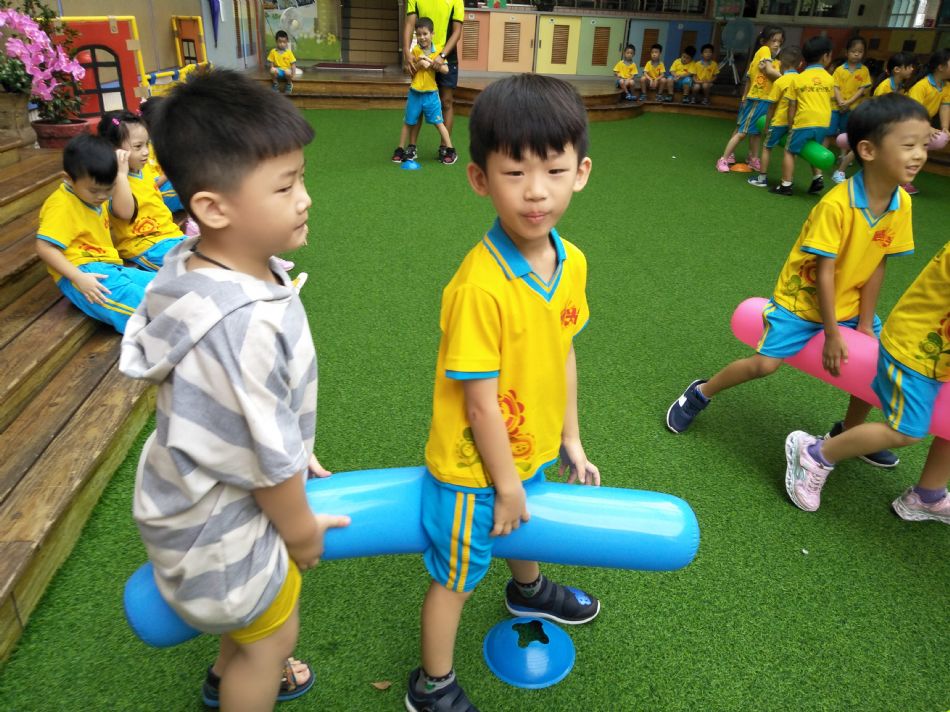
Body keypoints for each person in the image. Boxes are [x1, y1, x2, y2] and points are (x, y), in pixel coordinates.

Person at [119, 69, 350, 710]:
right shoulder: (241, 323)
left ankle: (227, 671)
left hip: (188, 500)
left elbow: (242, 412)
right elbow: (265, 458)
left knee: (253, 630)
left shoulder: (195, 265)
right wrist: (300, 532)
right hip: (218, 531)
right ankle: (248, 674)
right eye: (284, 186)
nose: (304, 198)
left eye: (301, 178)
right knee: (273, 639)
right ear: (213, 209)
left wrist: (294, 445)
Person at [406, 74, 600, 712]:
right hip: (473, 466)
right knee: (458, 576)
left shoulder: (572, 261)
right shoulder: (479, 287)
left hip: (530, 441)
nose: (536, 191)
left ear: (580, 173)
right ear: (480, 179)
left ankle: (528, 590)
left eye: (554, 170)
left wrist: (570, 436)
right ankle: (432, 685)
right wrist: (505, 482)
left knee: (523, 521)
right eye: (514, 173)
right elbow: (478, 402)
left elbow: (563, 349)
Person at [667, 95, 926, 476]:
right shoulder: (837, 205)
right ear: (868, 150)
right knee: (764, 364)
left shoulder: (901, 203)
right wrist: (833, 333)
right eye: (908, 145)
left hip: (851, 302)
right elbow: (824, 272)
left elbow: (877, 264)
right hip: (801, 300)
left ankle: (849, 430)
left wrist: (865, 322)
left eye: (923, 144)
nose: (919, 155)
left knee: (875, 366)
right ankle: (700, 393)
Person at [784, 234, 947, 523]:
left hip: (938, 357)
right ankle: (815, 454)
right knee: (907, 430)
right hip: (918, 352)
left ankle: (927, 495)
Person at [34, 134, 154, 333]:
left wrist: (121, 175)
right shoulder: (62, 205)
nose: (102, 196)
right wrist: (78, 277)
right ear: (68, 179)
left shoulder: (92, 194)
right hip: (83, 271)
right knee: (146, 307)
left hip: (109, 267)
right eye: (95, 190)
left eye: (109, 189)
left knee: (162, 285)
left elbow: (126, 212)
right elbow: (45, 247)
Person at [97, 110, 185, 271]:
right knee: (197, 266)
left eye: (147, 144)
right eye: (138, 146)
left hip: (170, 235)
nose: (146, 152)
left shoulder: (141, 169)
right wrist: (121, 175)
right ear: (114, 149)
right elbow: (125, 213)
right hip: (144, 245)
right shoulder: (112, 180)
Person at [716, 26, 784, 172]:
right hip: (757, 99)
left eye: (780, 41)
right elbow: (761, 76)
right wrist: (787, 78)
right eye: (773, 40)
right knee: (742, 131)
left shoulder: (774, 62)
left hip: (766, 100)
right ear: (763, 41)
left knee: (756, 132)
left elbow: (767, 77)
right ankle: (723, 159)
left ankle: (753, 159)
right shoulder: (764, 51)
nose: (777, 44)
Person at [772, 36, 834, 197]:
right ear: (825, 56)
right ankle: (817, 178)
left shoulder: (798, 79)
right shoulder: (830, 79)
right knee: (811, 149)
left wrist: (791, 124)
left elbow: (792, 105)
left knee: (790, 151)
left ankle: (786, 184)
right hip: (823, 123)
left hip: (804, 121)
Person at [404, 0, 464, 162]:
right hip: (422, 54)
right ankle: (412, 147)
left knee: (446, 102)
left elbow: (457, 31)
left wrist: (442, 55)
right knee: (418, 97)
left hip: (446, 55)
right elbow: (410, 24)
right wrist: (407, 53)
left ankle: (445, 148)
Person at [392, 17, 457, 165]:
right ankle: (400, 149)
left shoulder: (438, 51)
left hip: (431, 94)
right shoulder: (415, 51)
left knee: (439, 123)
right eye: (419, 34)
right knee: (408, 121)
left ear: (432, 34)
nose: (422, 37)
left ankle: (451, 150)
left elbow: (446, 70)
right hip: (415, 93)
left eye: (425, 34)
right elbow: (408, 70)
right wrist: (419, 63)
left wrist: (429, 61)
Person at [748, 45, 802, 188]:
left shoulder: (780, 81)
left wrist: (766, 126)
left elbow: (771, 106)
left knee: (767, 147)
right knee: (790, 152)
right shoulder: (801, 80)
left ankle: (762, 178)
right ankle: (788, 179)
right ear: (800, 64)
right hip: (794, 123)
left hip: (778, 122)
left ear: (781, 63)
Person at [904, 48, 950, 196]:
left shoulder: (946, 87)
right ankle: (900, 179)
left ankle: (904, 180)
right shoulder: (921, 86)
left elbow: (945, 107)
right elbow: (913, 110)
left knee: (918, 151)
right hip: (907, 122)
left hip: (921, 125)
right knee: (908, 150)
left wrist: (945, 127)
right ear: (940, 67)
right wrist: (928, 128)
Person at [829, 37, 872, 184]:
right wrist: (841, 101)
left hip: (852, 108)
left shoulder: (864, 70)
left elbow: (861, 90)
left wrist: (848, 103)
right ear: (847, 52)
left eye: (860, 51)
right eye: (853, 51)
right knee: (829, 132)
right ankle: (823, 155)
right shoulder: (840, 69)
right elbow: (835, 87)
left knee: (846, 134)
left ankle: (843, 157)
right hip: (836, 106)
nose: (856, 54)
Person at [267, 30, 297, 95]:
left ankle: (289, 84)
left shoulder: (289, 52)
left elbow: (293, 64)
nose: (282, 44)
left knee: (288, 72)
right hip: (278, 71)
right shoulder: (273, 51)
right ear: (276, 41)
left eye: (284, 42)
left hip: (286, 72)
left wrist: (293, 74)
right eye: (280, 42)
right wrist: (272, 71)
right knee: (272, 70)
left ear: (287, 42)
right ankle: (275, 84)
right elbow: (271, 63)